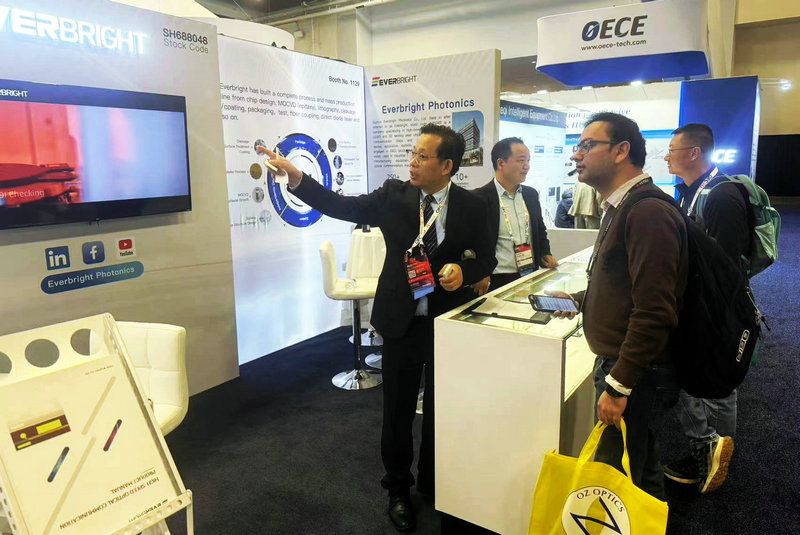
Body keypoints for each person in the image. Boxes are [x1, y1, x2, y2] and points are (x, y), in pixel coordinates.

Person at [260, 123, 496, 532]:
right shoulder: (393, 195)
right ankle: (397, 490)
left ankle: (434, 480)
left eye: (422, 156)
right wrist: (297, 178)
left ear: (447, 166)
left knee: (442, 408)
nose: (413, 162)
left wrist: (465, 270)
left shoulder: (474, 205)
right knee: (398, 412)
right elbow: (342, 205)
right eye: (412, 153)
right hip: (401, 321)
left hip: (447, 324)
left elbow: (487, 257)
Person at [555, 112, 688, 500]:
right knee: (639, 468)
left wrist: (618, 385)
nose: (576, 155)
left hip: (636, 372)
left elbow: (655, 310)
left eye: (586, 145)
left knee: (618, 480)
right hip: (629, 368)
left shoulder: (647, 212)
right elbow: (628, 287)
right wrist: (583, 301)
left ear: (621, 151)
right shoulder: (622, 206)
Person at [662, 123, 749, 493]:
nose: (666, 156)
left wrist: (711, 319)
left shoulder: (721, 195)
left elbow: (726, 266)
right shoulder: (690, 192)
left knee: (719, 381)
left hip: (717, 308)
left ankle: (718, 452)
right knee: (697, 378)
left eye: (672, 150)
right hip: (698, 303)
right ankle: (711, 450)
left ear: (694, 153)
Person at [472, 137, 557, 295]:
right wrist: (478, 273)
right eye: (521, 160)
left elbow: (539, 230)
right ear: (501, 163)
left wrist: (545, 253)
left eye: (528, 160)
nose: (527, 166)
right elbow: (472, 242)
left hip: (530, 274)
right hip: (496, 279)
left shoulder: (530, 194)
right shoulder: (479, 198)